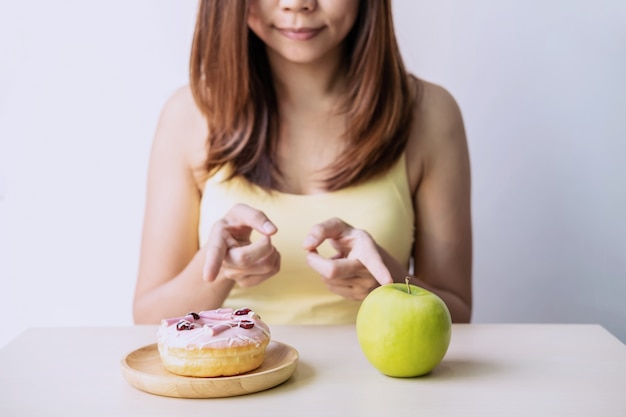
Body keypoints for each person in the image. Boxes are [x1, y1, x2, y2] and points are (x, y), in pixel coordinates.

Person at [133, 0, 472, 326]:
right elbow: (147, 318)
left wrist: (391, 282)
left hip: (379, 381)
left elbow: (458, 312)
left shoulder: (430, 115)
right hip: (236, 383)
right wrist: (218, 271)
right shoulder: (188, 116)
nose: (297, 4)